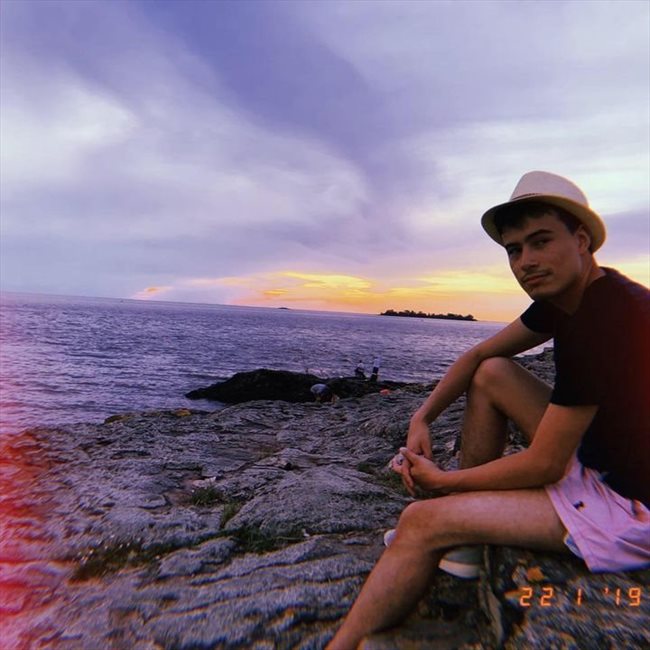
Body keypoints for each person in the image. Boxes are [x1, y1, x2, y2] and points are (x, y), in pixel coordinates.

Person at [327, 171, 650, 649]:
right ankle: (468, 539)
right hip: (608, 454)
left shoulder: (604, 319)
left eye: (541, 241)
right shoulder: (572, 297)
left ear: (581, 240)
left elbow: (545, 464)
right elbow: (478, 355)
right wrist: (422, 417)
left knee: (420, 522)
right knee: (493, 372)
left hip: (631, 505)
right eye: (514, 250)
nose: (526, 261)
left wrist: (444, 484)